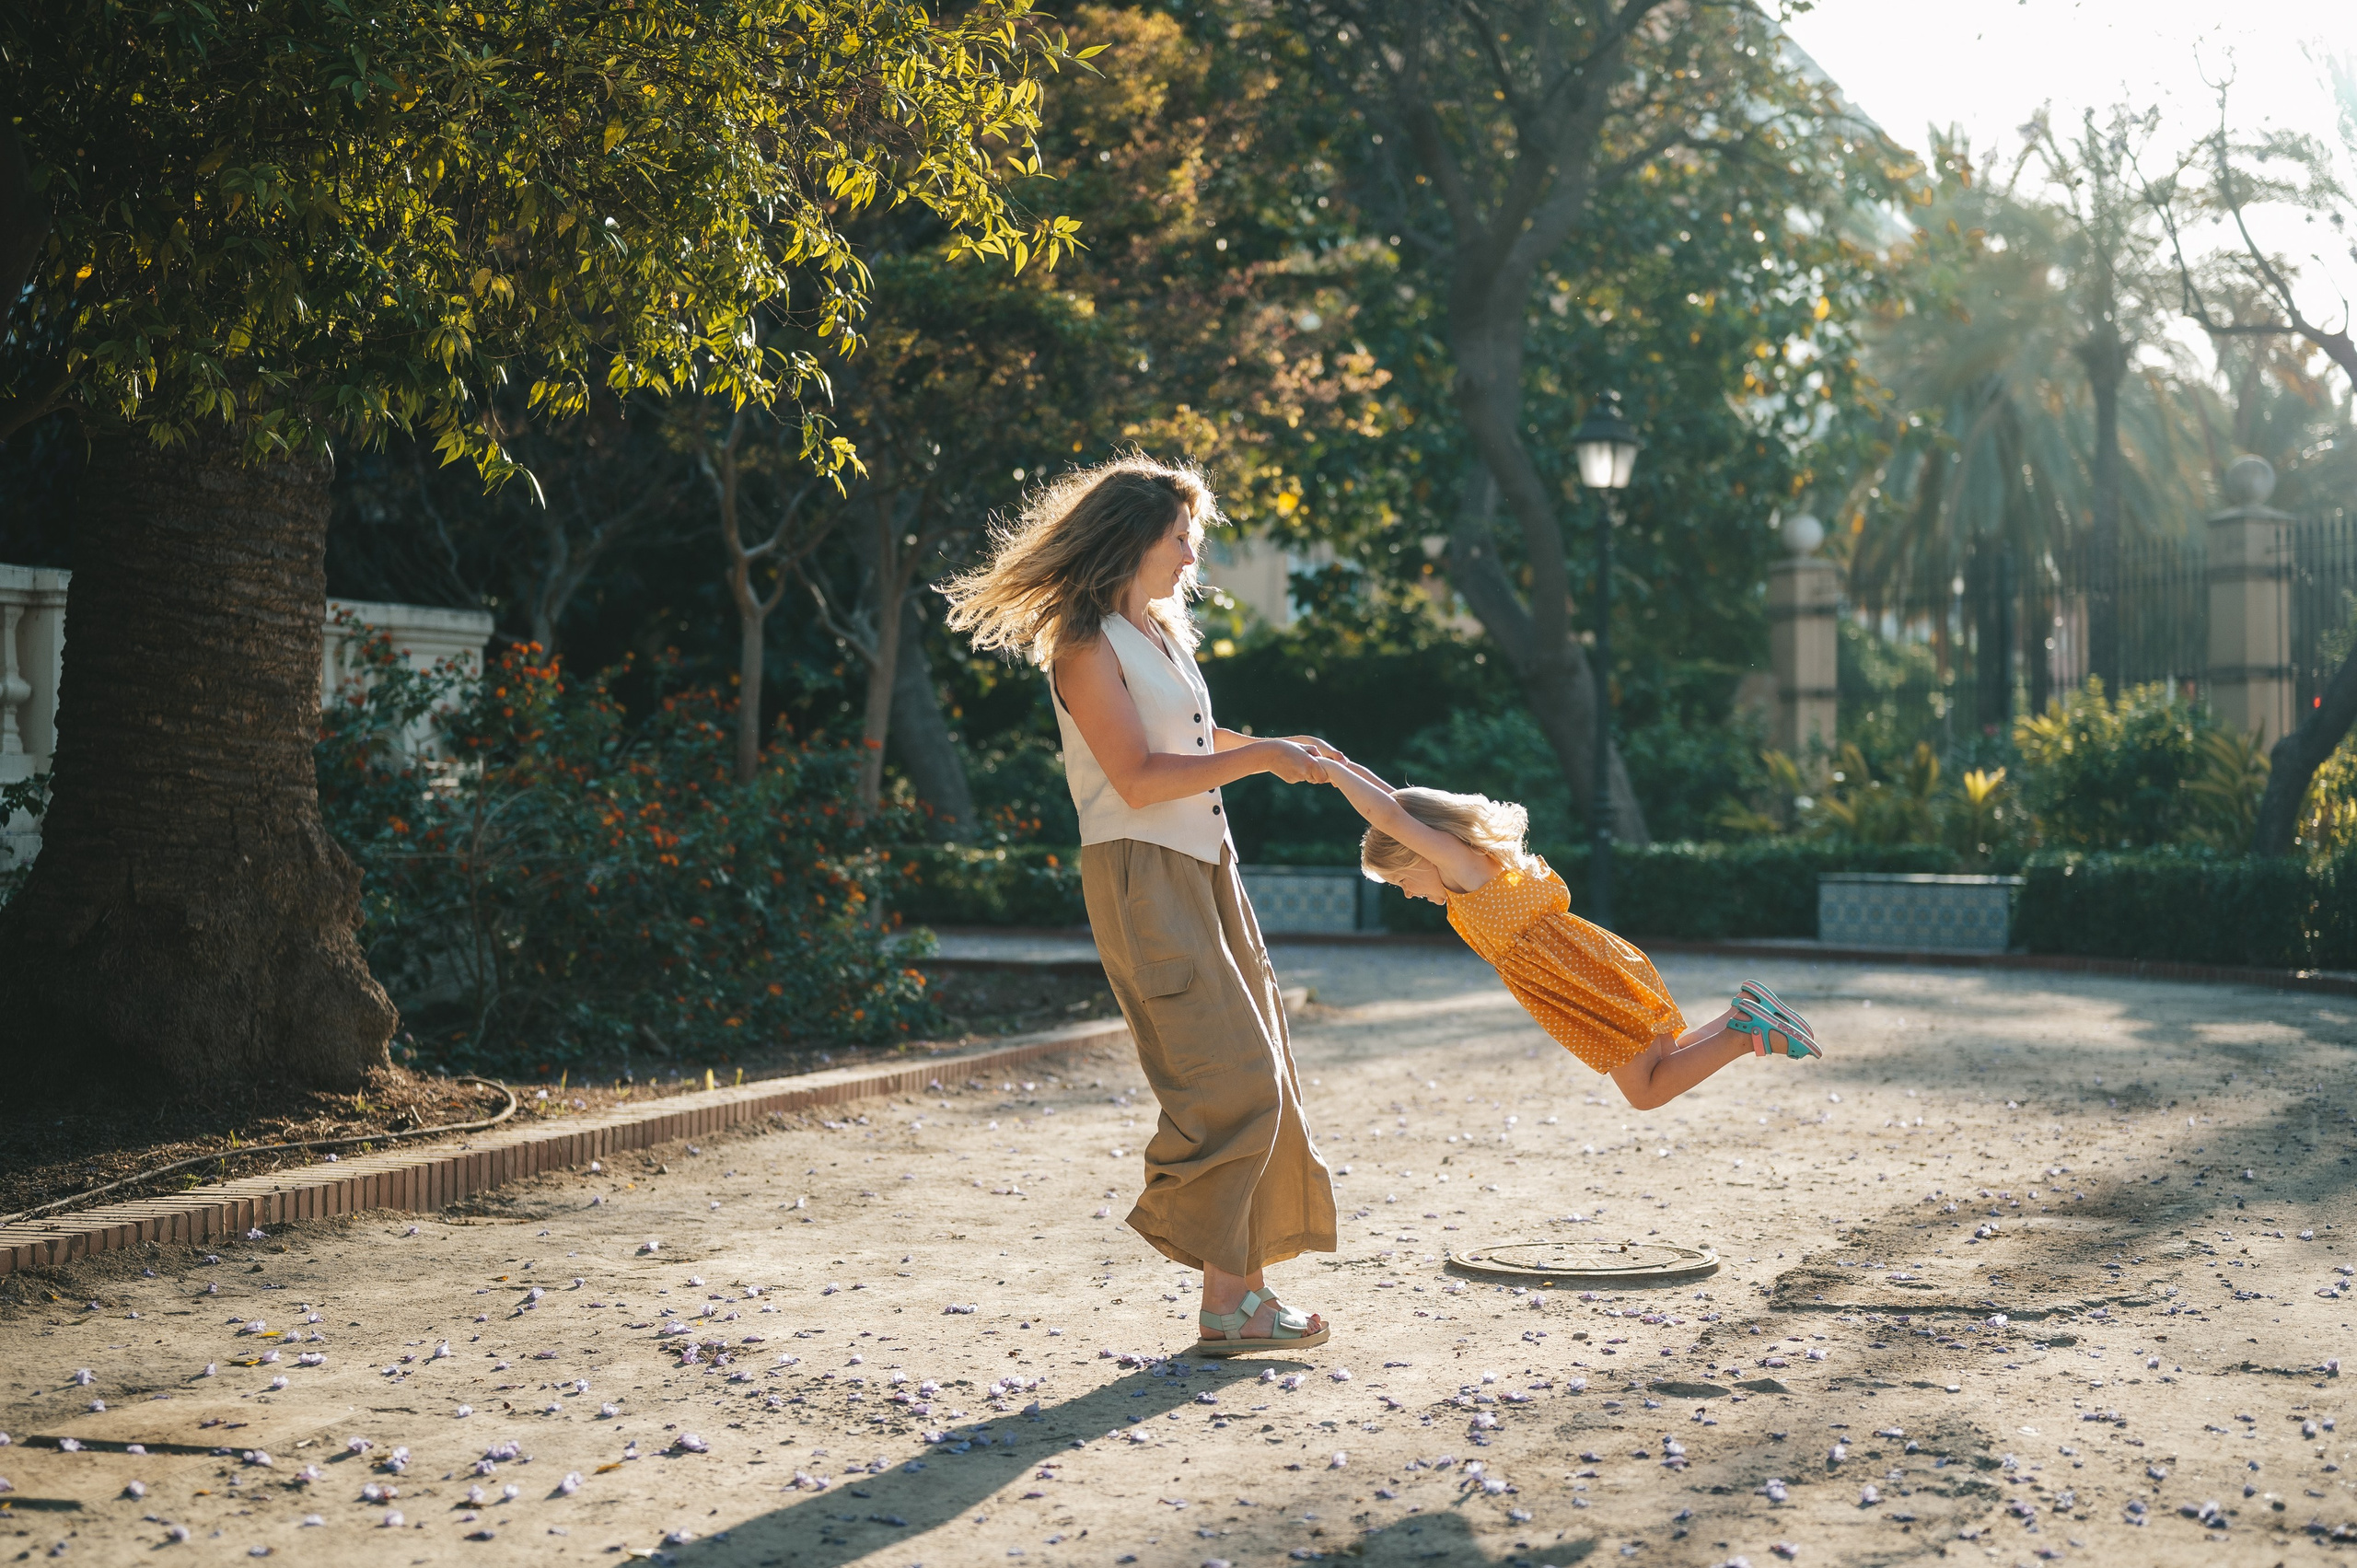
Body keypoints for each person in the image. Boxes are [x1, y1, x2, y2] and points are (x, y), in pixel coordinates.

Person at [940, 455, 1336, 1355]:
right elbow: (1138, 774)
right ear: (1133, 539)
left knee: (1265, 1075)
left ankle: (1241, 1299)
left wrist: (1278, 745)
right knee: (1231, 1081)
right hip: (1141, 873)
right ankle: (1223, 1294)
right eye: (1180, 535)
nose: (1193, 554)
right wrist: (1262, 757)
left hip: (1206, 865)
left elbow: (1187, 737)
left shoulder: (1157, 631)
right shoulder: (1083, 647)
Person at [1306, 750, 1822, 1109]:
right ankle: (1743, 1012)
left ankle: (1744, 1035)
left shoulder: (1460, 865)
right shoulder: (1471, 866)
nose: (1407, 893)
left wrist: (1329, 772)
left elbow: (1387, 815)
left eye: (1400, 880)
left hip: (1579, 977)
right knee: (1663, 1059)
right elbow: (1395, 807)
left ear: (1421, 848)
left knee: (1646, 1091)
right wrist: (1349, 767)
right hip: (1585, 966)